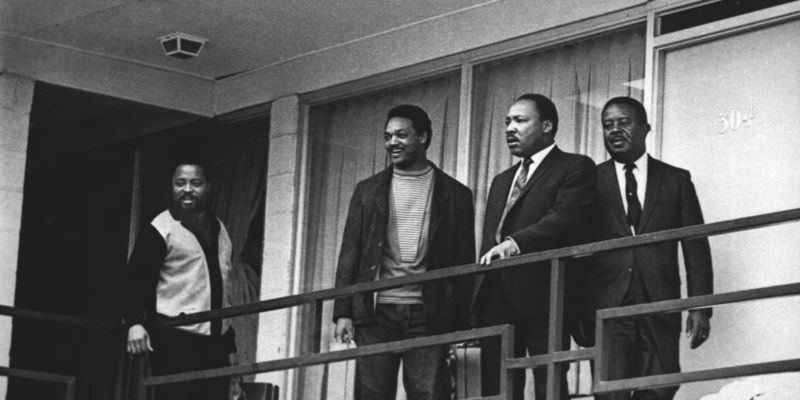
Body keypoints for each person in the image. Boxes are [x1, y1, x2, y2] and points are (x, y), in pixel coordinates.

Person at [332, 104, 475, 400]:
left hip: (430, 313)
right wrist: (343, 312)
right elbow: (350, 253)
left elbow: (464, 261)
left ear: (422, 137)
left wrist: (461, 325)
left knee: (428, 392)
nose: (392, 143)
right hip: (375, 313)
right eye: (387, 137)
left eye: (401, 135)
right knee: (372, 393)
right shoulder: (367, 191)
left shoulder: (456, 194)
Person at [584, 97, 713, 399]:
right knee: (610, 393)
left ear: (645, 128)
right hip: (608, 307)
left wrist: (699, 306)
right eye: (607, 125)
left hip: (659, 303)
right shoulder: (589, 181)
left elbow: (695, 244)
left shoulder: (675, 179)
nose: (614, 130)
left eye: (623, 123)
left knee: (659, 389)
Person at [474, 93, 596, 400]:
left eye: (520, 120)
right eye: (506, 122)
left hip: (546, 297)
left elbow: (565, 219)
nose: (509, 128)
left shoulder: (575, 167)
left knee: (550, 385)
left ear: (547, 126)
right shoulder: (502, 180)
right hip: (496, 298)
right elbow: (490, 237)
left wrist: (514, 245)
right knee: (498, 388)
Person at [124, 161, 236, 400]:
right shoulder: (160, 228)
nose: (187, 189)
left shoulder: (220, 228)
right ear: (171, 187)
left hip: (216, 342)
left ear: (208, 186)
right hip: (177, 340)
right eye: (180, 183)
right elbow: (136, 279)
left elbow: (225, 284)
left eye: (195, 183)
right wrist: (134, 322)